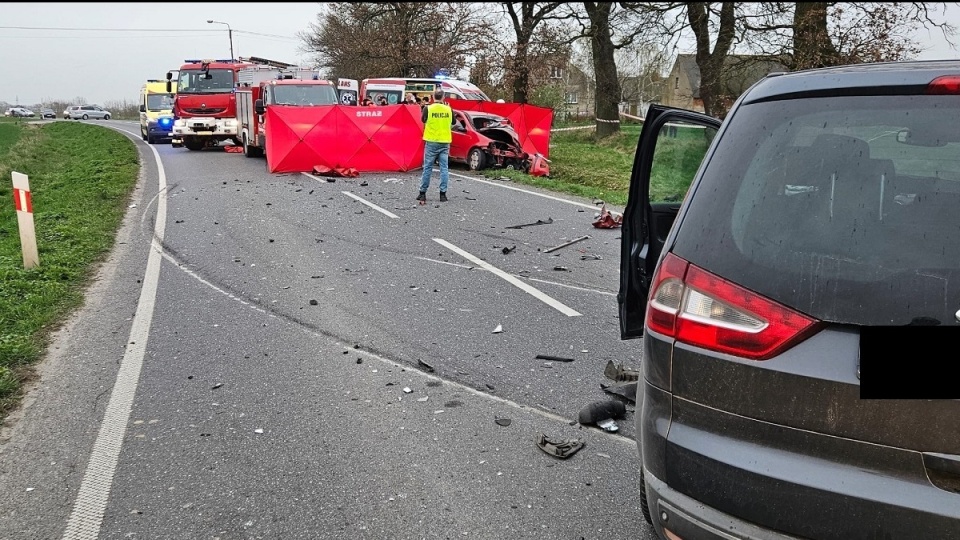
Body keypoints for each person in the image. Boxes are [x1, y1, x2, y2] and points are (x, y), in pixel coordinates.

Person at [418, 88, 455, 203]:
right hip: (444, 141)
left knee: (428, 168)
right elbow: (453, 122)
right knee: (444, 168)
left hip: (431, 141)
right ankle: (443, 194)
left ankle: (422, 193)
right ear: (443, 97)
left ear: (433, 97)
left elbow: (423, 120)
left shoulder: (427, 108)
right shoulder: (449, 109)